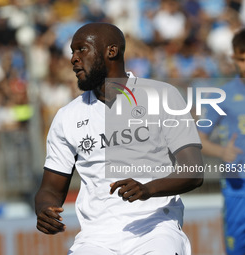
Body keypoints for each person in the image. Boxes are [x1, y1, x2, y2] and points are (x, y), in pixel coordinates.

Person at [35, 22, 204, 255]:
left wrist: (147, 189)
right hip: (95, 239)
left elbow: (194, 171)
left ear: (111, 51)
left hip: (155, 229)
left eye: (81, 49)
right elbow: (50, 190)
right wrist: (44, 209)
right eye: (72, 52)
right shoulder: (67, 116)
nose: (73, 58)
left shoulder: (162, 96)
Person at [198, 28, 245, 255]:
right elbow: (199, 138)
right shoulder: (221, 95)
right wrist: (222, 152)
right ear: (234, 59)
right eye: (242, 60)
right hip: (237, 190)